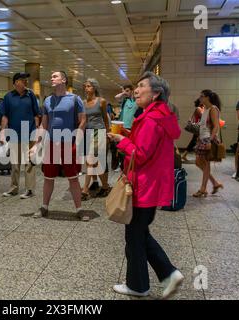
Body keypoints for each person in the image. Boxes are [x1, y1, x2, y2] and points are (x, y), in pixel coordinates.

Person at [108, 71, 184, 299]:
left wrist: (122, 142)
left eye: (142, 86)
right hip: (152, 184)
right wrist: (129, 135)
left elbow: (140, 155)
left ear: (156, 93)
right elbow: (149, 146)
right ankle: (144, 282)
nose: (137, 90)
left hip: (143, 186)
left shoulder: (151, 119)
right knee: (138, 234)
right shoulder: (159, 116)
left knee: (135, 235)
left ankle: (164, 275)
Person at [32, 71, 87, 220]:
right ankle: (44, 207)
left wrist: (77, 138)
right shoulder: (48, 100)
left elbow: (82, 120)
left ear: (63, 79)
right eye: (51, 76)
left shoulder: (75, 99)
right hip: (51, 143)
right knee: (48, 177)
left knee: (73, 178)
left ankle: (79, 209)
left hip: (68, 142)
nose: (52, 78)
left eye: (55, 76)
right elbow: (44, 124)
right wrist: (37, 144)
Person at [0, 72, 41, 199]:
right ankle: (14, 188)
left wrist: (37, 130)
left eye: (26, 80)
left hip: (29, 132)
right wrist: (2, 131)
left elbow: (36, 114)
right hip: (14, 133)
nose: (26, 82)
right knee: (15, 163)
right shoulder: (8, 97)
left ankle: (29, 189)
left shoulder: (31, 95)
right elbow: (5, 116)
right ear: (16, 82)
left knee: (29, 162)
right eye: (23, 80)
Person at [81, 78, 111, 200]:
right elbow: (84, 120)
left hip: (99, 132)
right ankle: (105, 186)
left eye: (88, 86)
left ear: (94, 88)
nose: (86, 88)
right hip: (88, 133)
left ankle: (85, 189)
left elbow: (105, 118)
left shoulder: (101, 101)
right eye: (85, 86)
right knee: (96, 161)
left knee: (92, 159)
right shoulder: (83, 103)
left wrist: (108, 133)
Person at [193, 89, 223, 197]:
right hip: (203, 138)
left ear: (207, 98)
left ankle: (203, 189)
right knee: (198, 162)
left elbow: (216, 126)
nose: (200, 98)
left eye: (202, 96)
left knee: (205, 164)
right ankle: (214, 183)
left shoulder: (213, 109)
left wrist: (210, 140)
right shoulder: (205, 109)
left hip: (208, 139)